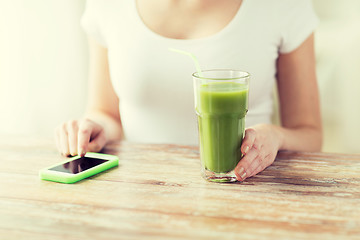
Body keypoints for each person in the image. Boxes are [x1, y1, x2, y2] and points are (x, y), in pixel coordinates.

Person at [55, 0, 322, 181]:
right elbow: (105, 113)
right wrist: (93, 129)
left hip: (243, 188)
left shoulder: (283, 6)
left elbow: (310, 134)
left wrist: (274, 137)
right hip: (140, 193)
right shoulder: (108, 5)